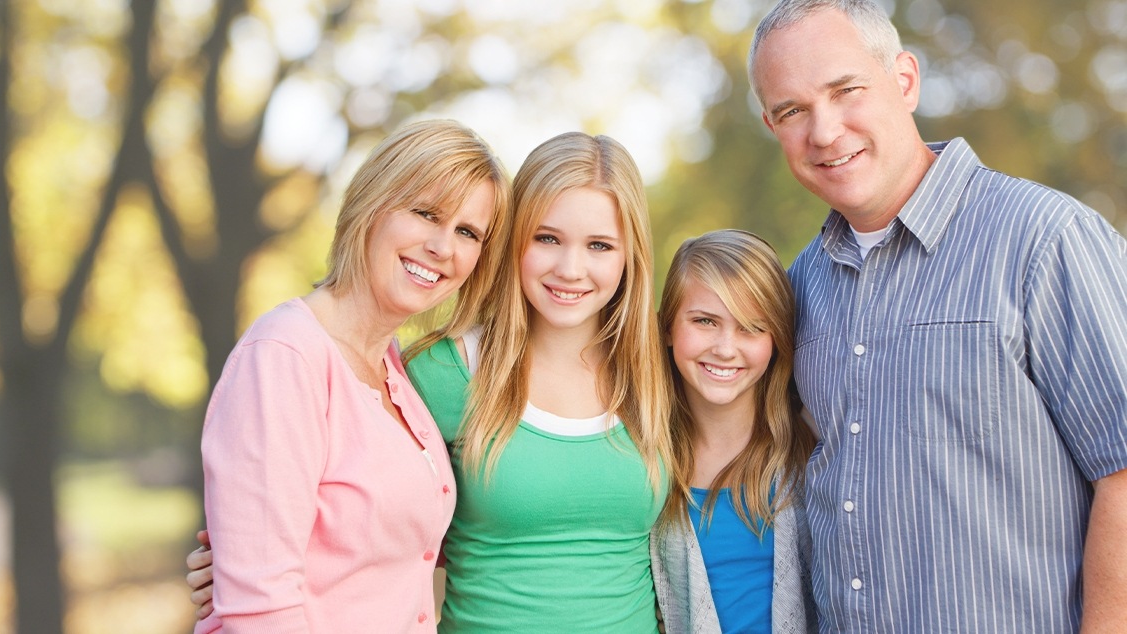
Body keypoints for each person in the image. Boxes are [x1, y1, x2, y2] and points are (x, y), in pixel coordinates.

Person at [748, 0, 1127, 630]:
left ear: (904, 80)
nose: (824, 131)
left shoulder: (1045, 240)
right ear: (771, 124)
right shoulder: (799, 287)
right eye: (793, 111)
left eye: (846, 91)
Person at [193, 118, 510, 633]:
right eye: (426, 213)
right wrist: (238, 570)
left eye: (468, 232)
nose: (443, 247)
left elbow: (391, 548)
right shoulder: (284, 356)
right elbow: (261, 612)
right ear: (373, 204)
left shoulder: (395, 368)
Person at [407, 131, 671, 632]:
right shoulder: (442, 373)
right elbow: (348, 519)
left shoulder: (660, 372)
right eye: (547, 238)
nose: (570, 269)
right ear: (514, 242)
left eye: (599, 245)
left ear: (629, 255)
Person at [649, 229, 817, 633]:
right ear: (669, 327)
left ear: (776, 340)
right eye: (705, 321)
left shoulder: (809, 456)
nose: (726, 348)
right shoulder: (646, 465)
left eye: (751, 327)